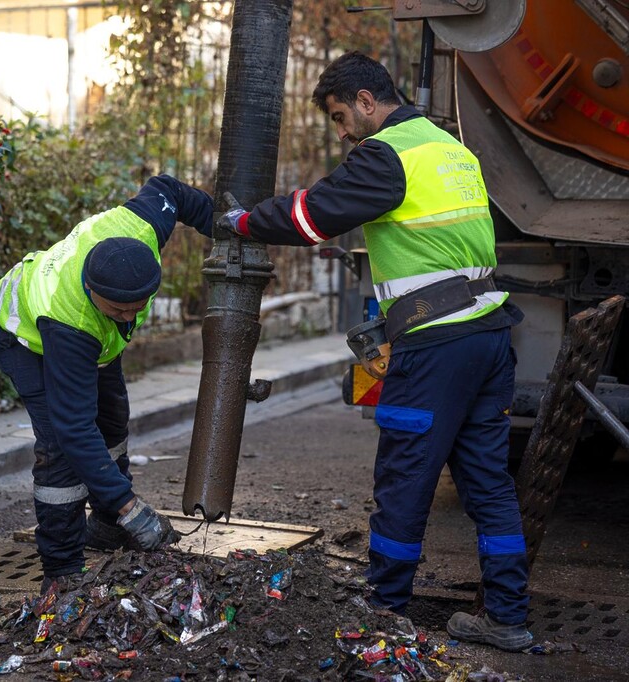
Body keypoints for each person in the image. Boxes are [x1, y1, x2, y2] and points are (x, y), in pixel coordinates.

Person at [217, 51, 533, 652]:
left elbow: (314, 216)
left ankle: (384, 610)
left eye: (341, 116)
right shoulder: (449, 148)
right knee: (489, 486)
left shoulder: (387, 154)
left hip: (436, 347)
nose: (341, 132)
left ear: (367, 101)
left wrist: (243, 223)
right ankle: (508, 617)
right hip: (491, 335)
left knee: (405, 480)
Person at [0, 175, 214, 593]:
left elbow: (171, 190)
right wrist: (132, 508)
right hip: (23, 335)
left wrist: (229, 227)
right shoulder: (70, 321)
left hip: (96, 341)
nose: (129, 317)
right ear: (92, 290)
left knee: (112, 421)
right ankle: (62, 568)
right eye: (117, 308)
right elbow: (74, 427)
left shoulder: (141, 228)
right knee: (60, 445)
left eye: (138, 307)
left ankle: (107, 528)